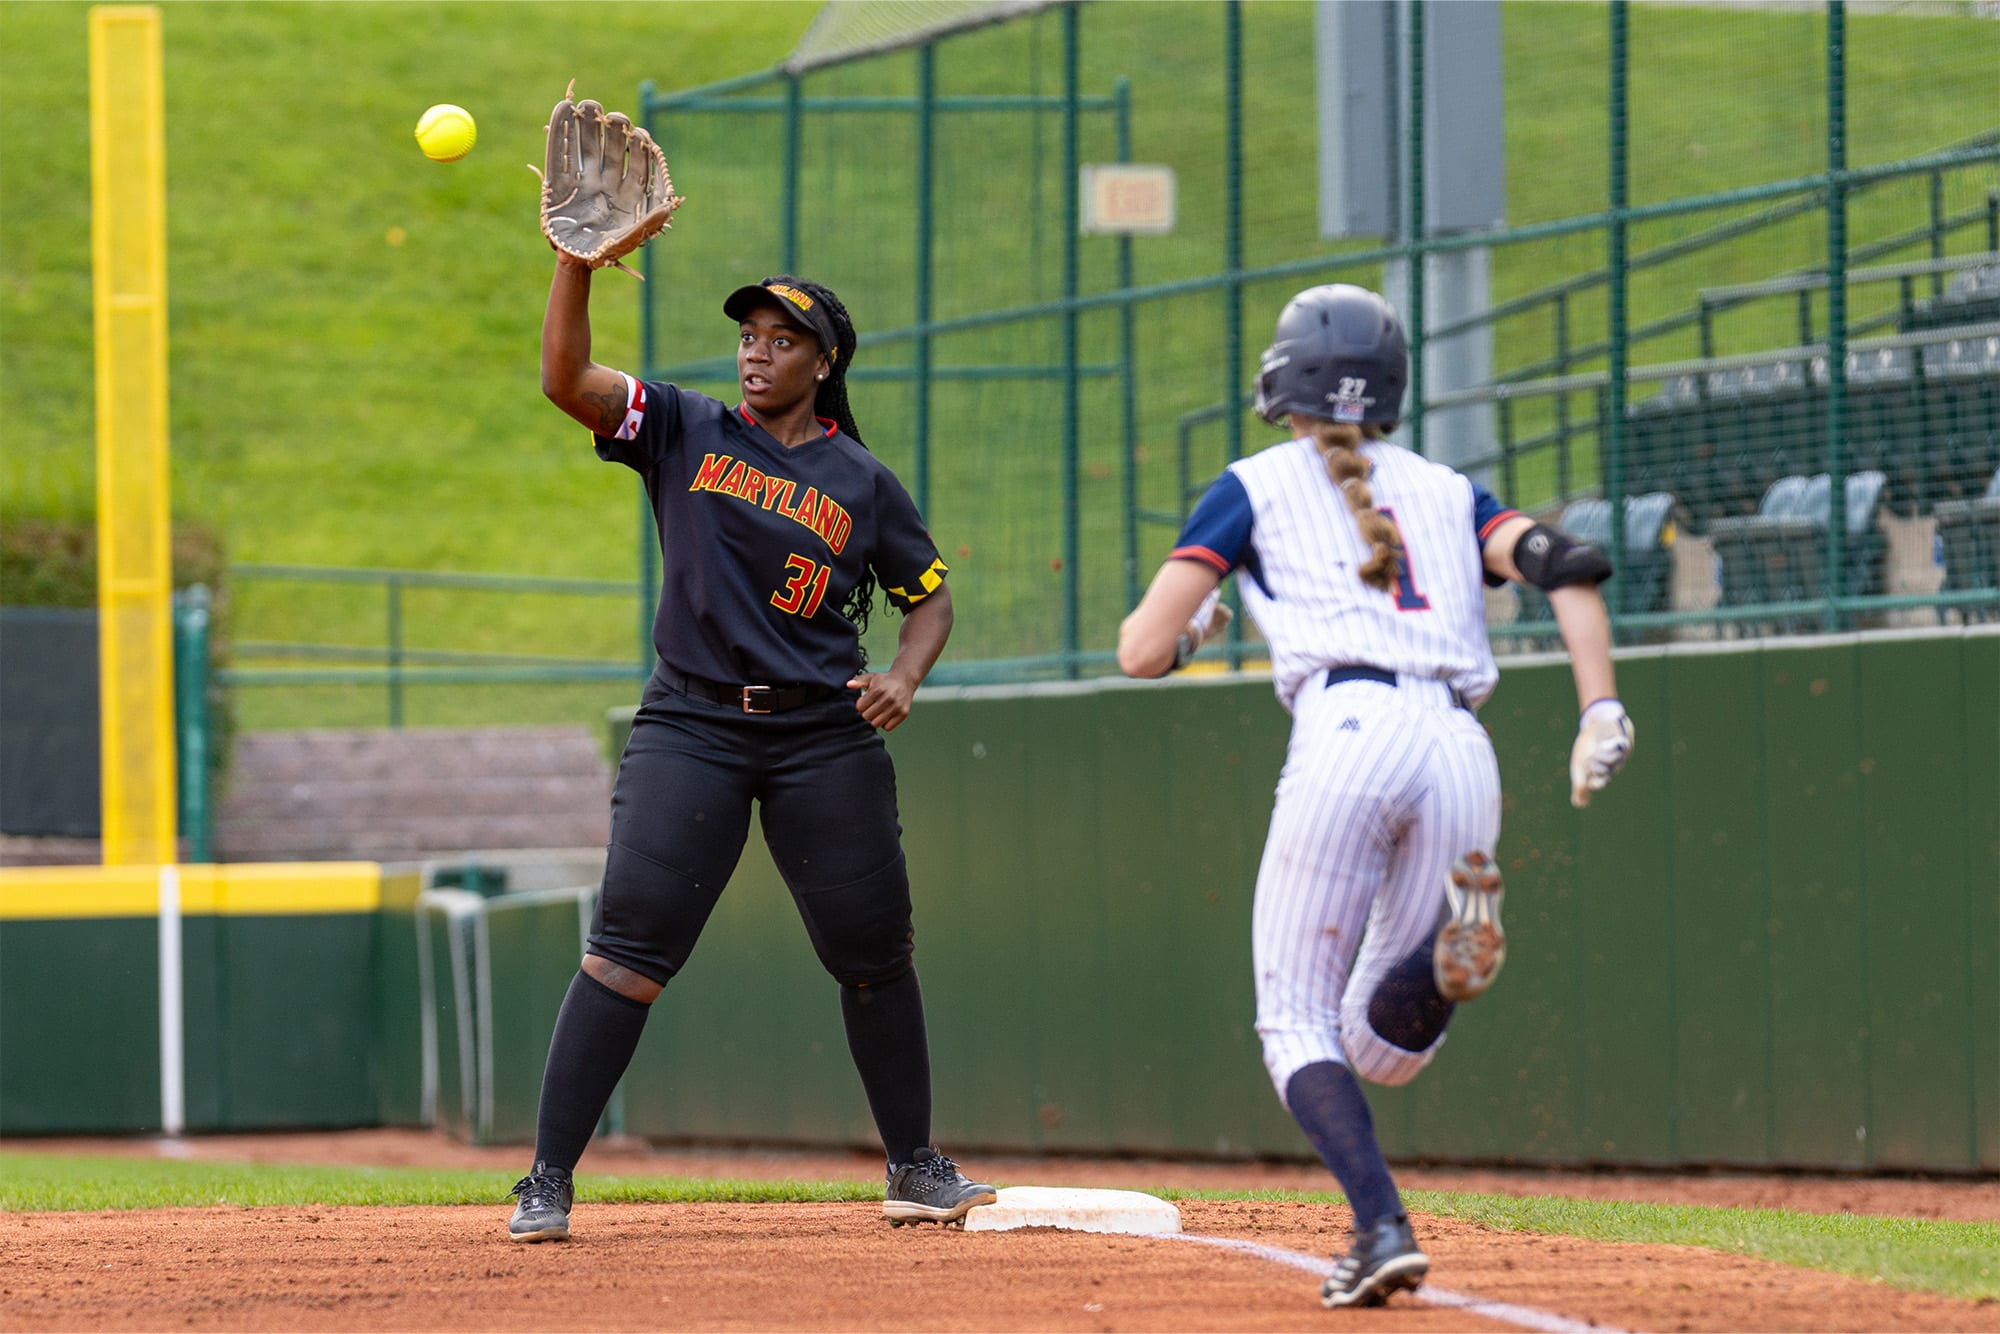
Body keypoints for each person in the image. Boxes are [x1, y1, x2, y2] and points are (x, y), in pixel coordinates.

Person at [1116, 283, 1634, 1307]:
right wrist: (1598, 708)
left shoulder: (1251, 483)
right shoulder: (1448, 487)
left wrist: (1195, 637)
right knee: (1377, 1052)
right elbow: (1568, 561)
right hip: (1458, 743)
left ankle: (1379, 1223)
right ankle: (1441, 960)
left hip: (1346, 726)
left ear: (1284, 379)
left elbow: (1137, 648)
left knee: (1293, 1022)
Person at [505, 251, 995, 1241]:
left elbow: (929, 595)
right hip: (693, 720)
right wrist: (574, 269)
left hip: (821, 732)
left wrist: (902, 675)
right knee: (627, 950)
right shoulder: (685, 427)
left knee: (873, 952)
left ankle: (913, 1164)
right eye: (747, 337)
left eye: (781, 341)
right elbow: (565, 380)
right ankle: (546, 1178)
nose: (756, 355)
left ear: (824, 364)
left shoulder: (859, 480)